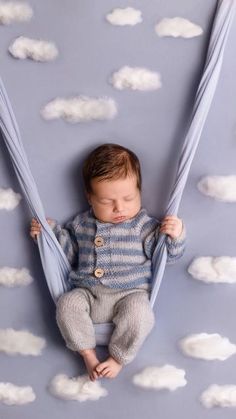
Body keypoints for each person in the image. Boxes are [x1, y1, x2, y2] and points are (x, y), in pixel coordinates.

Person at [30, 143, 186, 381]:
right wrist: (47, 236)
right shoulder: (80, 225)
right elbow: (68, 255)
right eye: (106, 201)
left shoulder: (144, 227)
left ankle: (118, 358)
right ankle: (87, 354)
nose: (119, 208)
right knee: (67, 305)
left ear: (139, 192)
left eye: (128, 198)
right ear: (89, 198)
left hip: (129, 294)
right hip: (88, 294)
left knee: (140, 315)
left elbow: (168, 256)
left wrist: (176, 235)